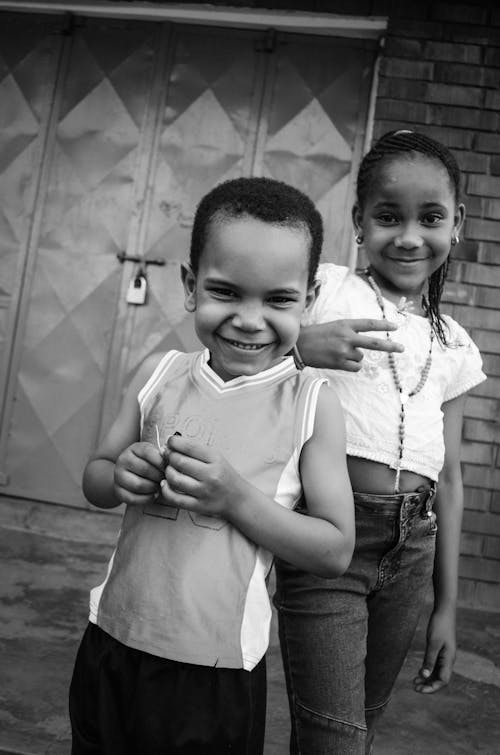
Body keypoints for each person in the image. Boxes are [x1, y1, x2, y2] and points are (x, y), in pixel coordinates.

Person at [69, 176, 355, 754]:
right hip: (113, 639)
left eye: (278, 300)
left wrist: (235, 499)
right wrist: (122, 473)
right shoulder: (160, 373)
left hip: (216, 666)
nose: (250, 320)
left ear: (310, 297)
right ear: (190, 286)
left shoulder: (310, 402)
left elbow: (334, 549)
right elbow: (96, 479)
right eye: (226, 292)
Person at [274, 129, 487, 754]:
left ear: (458, 225)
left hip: (412, 552)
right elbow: (235, 349)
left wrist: (446, 606)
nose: (410, 236)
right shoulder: (325, 291)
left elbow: (449, 480)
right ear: (359, 222)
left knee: (360, 725)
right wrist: (297, 347)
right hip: (330, 540)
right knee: (332, 738)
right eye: (389, 216)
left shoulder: (456, 345)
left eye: (431, 217)